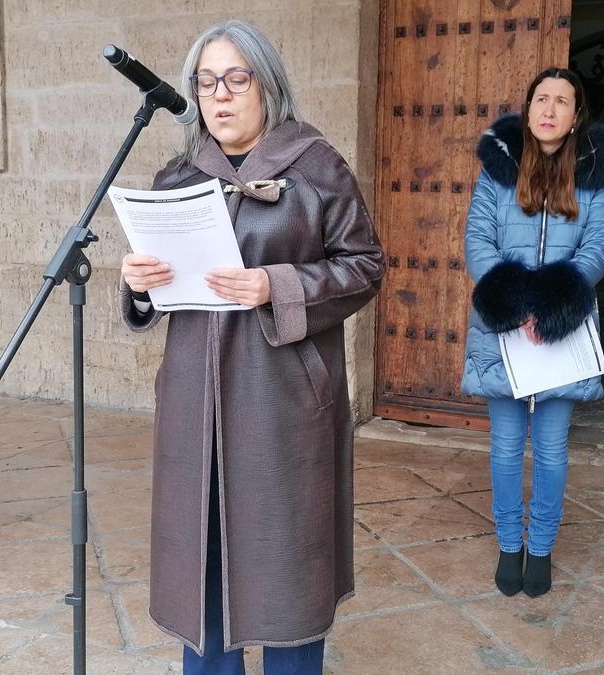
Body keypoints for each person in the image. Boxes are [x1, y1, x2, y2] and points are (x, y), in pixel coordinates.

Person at [118, 20, 385, 674]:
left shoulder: (318, 168)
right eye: (206, 81)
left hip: (282, 404)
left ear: (268, 86)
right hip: (194, 405)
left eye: (236, 78)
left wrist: (277, 283)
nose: (220, 95)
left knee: (285, 567)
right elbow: (160, 290)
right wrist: (139, 284)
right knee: (203, 565)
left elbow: (366, 266)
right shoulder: (176, 175)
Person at [461, 67, 604, 598]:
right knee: (506, 447)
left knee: (552, 450)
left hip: (565, 323)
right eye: (541, 99)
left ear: (577, 115)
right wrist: (518, 305)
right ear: (528, 109)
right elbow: (477, 240)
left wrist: (552, 306)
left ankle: (541, 548)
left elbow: (599, 244)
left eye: (562, 101)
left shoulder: (596, 174)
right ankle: (510, 544)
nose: (549, 109)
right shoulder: (497, 172)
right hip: (504, 327)